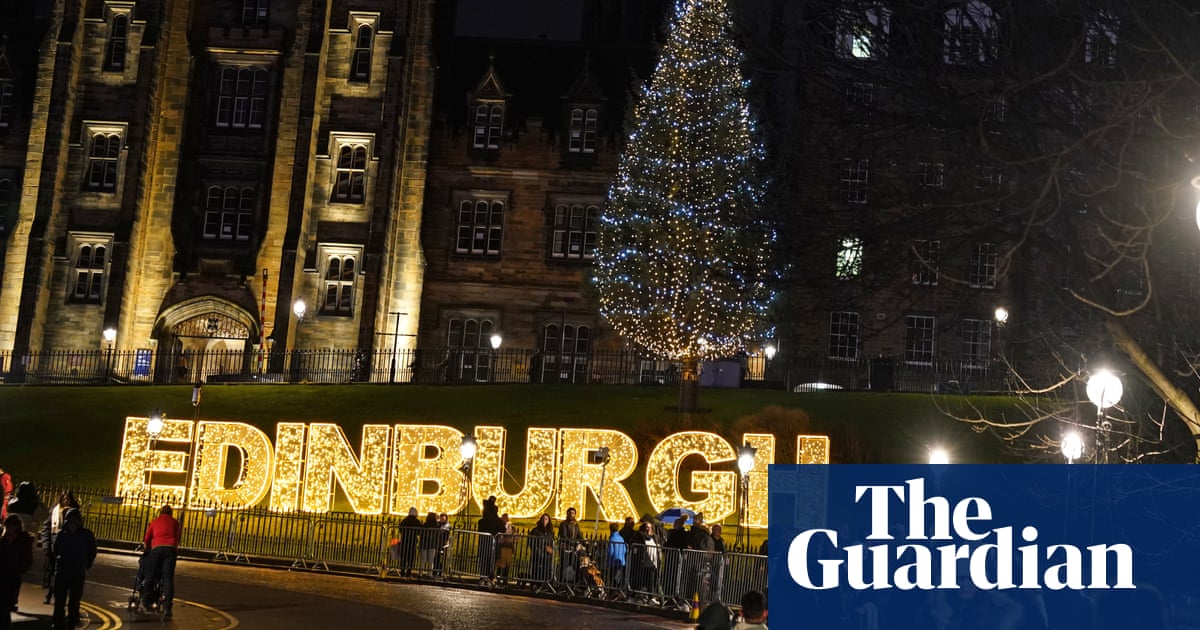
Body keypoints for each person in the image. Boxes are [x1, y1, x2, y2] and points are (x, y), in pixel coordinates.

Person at [52, 508, 96, 630]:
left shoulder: (86, 535)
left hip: (77, 572)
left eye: (73, 521)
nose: (71, 524)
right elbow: (55, 550)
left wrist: (86, 565)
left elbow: (92, 551)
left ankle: (72, 620)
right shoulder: (62, 534)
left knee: (74, 600)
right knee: (60, 600)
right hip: (63, 571)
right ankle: (58, 621)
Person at [141, 504, 181, 617]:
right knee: (168, 578)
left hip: (157, 548)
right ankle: (167, 607)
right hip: (170, 549)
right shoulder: (175, 522)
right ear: (170, 513)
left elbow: (147, 538)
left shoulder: (155, 522)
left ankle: (146, 601)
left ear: (160, 512)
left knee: (150, 575)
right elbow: (178, 538)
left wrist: (148, 548)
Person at [39, 491, 77, 605]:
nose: (66, 501)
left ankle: (58, 596)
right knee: (53, 572)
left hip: (67, 548)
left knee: (62, 574)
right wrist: (46, 545)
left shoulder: (73, 513)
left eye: (68, 499)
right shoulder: (54, 511)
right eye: (64, 498)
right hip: (53, 546)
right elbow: (46, 528)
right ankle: (50, 594)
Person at [1, 515, 34, 629]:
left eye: (10, 527)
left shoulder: (23, 540)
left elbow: (26, 559)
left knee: (5, 606)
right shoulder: (3, 538)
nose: (8, 530)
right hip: (3, 575)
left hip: (13, 577)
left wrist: (18, 570)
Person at [475, 497, 504, 581]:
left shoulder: (482, 521)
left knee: (484, 562)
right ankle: (489, 577)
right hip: (492, 545)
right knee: (490, 562)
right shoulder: (497, 520)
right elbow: (502, 529)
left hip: (484, 544)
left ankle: (483, 577)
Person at [558, 507, 582, 582]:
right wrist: (575, 544)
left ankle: (570, 582)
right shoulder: (564, 524)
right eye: (570, 513)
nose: (572, 515)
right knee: (564, 565)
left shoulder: (576, 525)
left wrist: (581, 543)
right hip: (565, 548)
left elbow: (580, 536)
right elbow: (564, 536)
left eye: (573, 513)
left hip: (573, 550)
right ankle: (562, 582)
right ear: (567, 514)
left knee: (572, 566)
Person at [528, 514, 554, 582]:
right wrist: (542, 548)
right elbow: (531, 541)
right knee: (536, 569)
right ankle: (535, 583)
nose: (544, 520)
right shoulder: (536, 530)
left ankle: (544, 583)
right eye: (543, 519)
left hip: (547, 555)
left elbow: (551, 541)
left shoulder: (550, 531)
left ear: (548, 521)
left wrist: (551, 549)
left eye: (546, 519)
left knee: (546, 569)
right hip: (537, 553)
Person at [397, 507, 422, 577]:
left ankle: (402, 571)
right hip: (412, 541)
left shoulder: (405, 520)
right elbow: (419, 532)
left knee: (404, 556)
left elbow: (400, 529)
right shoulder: (417, 521)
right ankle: (409, 571)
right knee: (411, 557)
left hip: (404, 540)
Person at [418, 512, 439, 577]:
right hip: (432, 545)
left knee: (423, 560)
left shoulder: (425, 525)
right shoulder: (436, 526)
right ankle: (429, 574)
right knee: (431, 560)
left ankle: (420, 573)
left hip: (424, 544)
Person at [607, 522, 627, 590]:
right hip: (621, 561)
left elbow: (611, 552)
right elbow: (625, 550)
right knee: (618, 578)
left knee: (612, 578)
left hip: (613, 562)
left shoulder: (612, 539)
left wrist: (608, 560)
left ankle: (612, 592)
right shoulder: (621, 538)